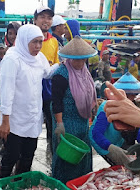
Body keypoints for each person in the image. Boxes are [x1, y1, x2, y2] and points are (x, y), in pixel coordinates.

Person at [0, 24, 59, 178]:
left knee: (28, 155)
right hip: (15, 119)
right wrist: (5, 122)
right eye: (34, 42)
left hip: (32, 117)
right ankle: (2, 184)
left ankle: (20, 183)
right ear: (24, 40)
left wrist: (63, 63)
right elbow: (6, 92)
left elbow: (48, 73)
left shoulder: (38, 58)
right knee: (11, 156)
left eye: (40, 41)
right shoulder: (12, 59)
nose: (38, 46)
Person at [51, 36, 97, 183]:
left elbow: (90, 92)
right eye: (77, 59)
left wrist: (93, 108)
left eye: (83, 59)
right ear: (69, 58)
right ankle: (63, 183)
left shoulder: (85, 71)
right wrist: (59, 124)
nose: (80, 63)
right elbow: (56, 102)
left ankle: (81, 183)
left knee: (83, 154)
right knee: (67, 156)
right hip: (66, 120)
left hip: (82, 120)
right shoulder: (61, 74)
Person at [90, 72, 140, 166]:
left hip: (118, 139)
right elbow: (96, 134)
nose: (133, 97)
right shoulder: (107, 107)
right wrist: (110, 147)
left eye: (134, 95)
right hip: (101, 140)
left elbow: (137, 126)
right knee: (119, 164)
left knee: (130, 160)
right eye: (130, 95)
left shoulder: (130, 105)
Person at [34, 6, 58, 147]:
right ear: (35, 19)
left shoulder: (54, 41)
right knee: (31, 117)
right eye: (42, 17)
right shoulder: (26, 38)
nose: (46, 21)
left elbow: (55, 63)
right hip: (32, 83)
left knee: (50, 118)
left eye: (49, 18)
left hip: (48, 84)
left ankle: (51, 147)